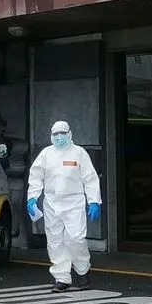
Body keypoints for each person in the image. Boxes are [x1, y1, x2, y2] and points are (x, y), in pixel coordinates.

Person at [26, 121, 101, 292]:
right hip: (52, 203)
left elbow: (90, 178)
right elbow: (36, 176)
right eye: (55, 134)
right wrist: (32, 198)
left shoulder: (79, 153)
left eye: (62, 133)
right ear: (51, 136)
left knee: (75, 238)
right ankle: (62, 278)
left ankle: (83, 271)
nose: (59, 137)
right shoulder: (46, 154)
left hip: (74, 203)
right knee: (55, 241)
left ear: (69, 134)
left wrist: (94, 201)